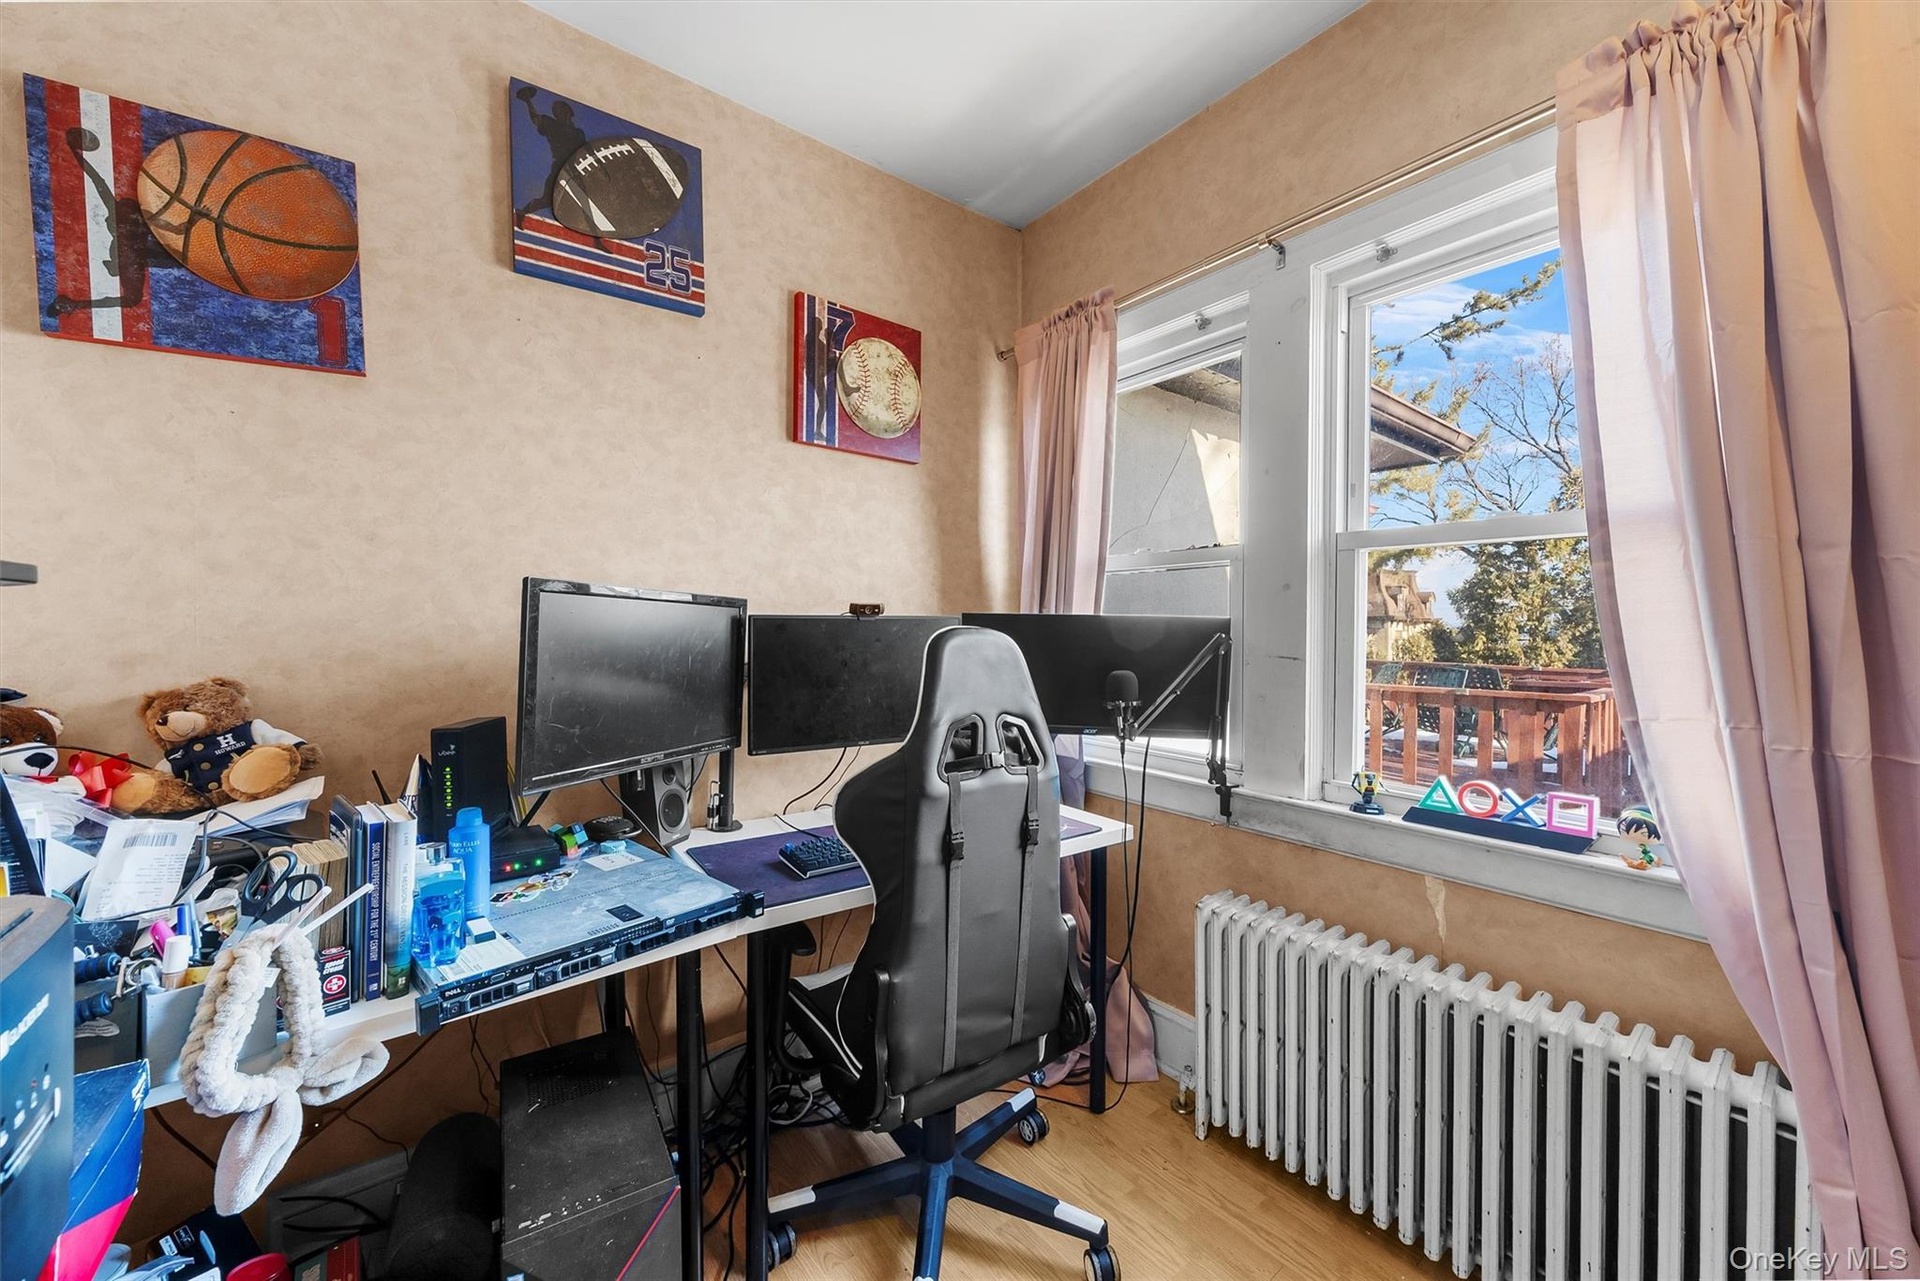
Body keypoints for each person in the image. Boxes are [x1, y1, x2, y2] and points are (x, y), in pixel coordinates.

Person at [514, 85, 587, 228]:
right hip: (559, 168)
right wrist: (528, 101)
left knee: (586, 202)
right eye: (557, 111)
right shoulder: (552, 125)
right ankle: (521, 213)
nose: (559, 113)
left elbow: (587, 151)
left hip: (577, 170)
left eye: (561, 110)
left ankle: (596, 237)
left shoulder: (578, 133)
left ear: (569, 112)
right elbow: (536, 118)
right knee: (547, 200)